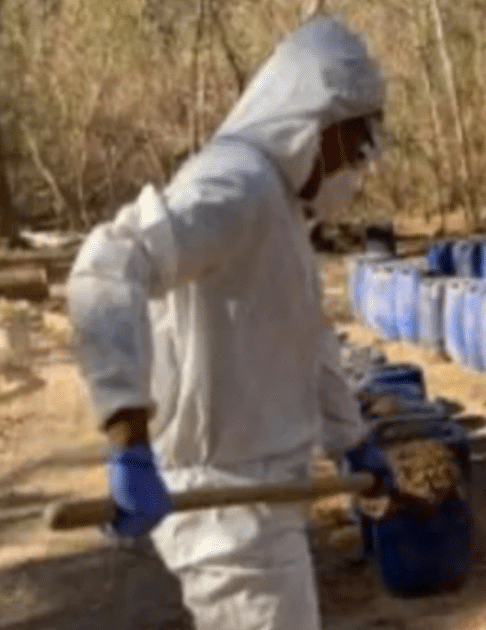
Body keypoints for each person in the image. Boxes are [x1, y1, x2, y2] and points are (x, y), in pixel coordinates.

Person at [66, 15, 404, 630]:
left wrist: (351, 441)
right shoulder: (234, 188)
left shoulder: (278, 210)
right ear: (315, 126)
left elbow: (306, 342)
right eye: (354, 145)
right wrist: (127, 435)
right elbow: (107, 265)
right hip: (228, 515)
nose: (358, 167)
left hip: (263, 504)